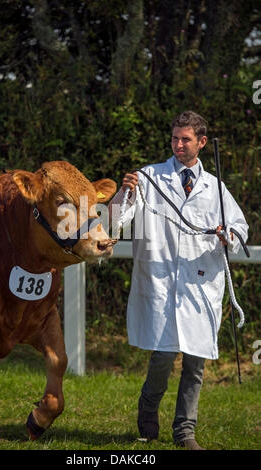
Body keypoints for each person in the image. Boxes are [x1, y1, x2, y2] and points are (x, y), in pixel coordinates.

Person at [108, 110, 249, 450]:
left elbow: (240, 230)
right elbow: (116, 223)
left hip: (199, 287)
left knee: (195, 364)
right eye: (174, 138)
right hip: (160, 285)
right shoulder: (149, 178)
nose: (178, 144)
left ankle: (185, 431)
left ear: (201, 142)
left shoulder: (215, 188)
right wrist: (121, 195)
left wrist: (226, 234)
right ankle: (147, 414)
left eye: (185, 139)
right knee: (161, 358)